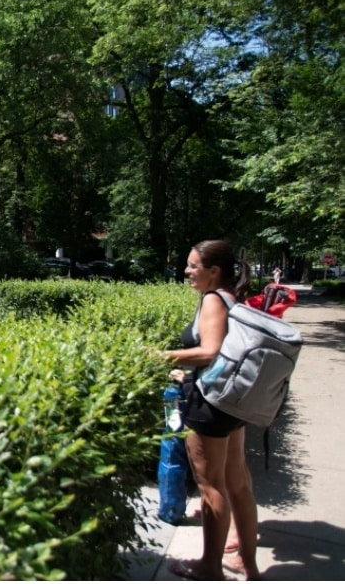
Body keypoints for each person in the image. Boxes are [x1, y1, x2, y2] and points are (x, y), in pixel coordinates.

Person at [165, 240, 260, 581]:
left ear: (213, 271)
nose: (187, 271)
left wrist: (161, 356)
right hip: (231, 403)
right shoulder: (232, 297)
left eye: (193, 265)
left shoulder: (213, 299)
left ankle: (209, 568)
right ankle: (248, 566)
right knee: (238, 485)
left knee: (211, 487)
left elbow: (210, 351)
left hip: (209, 404)